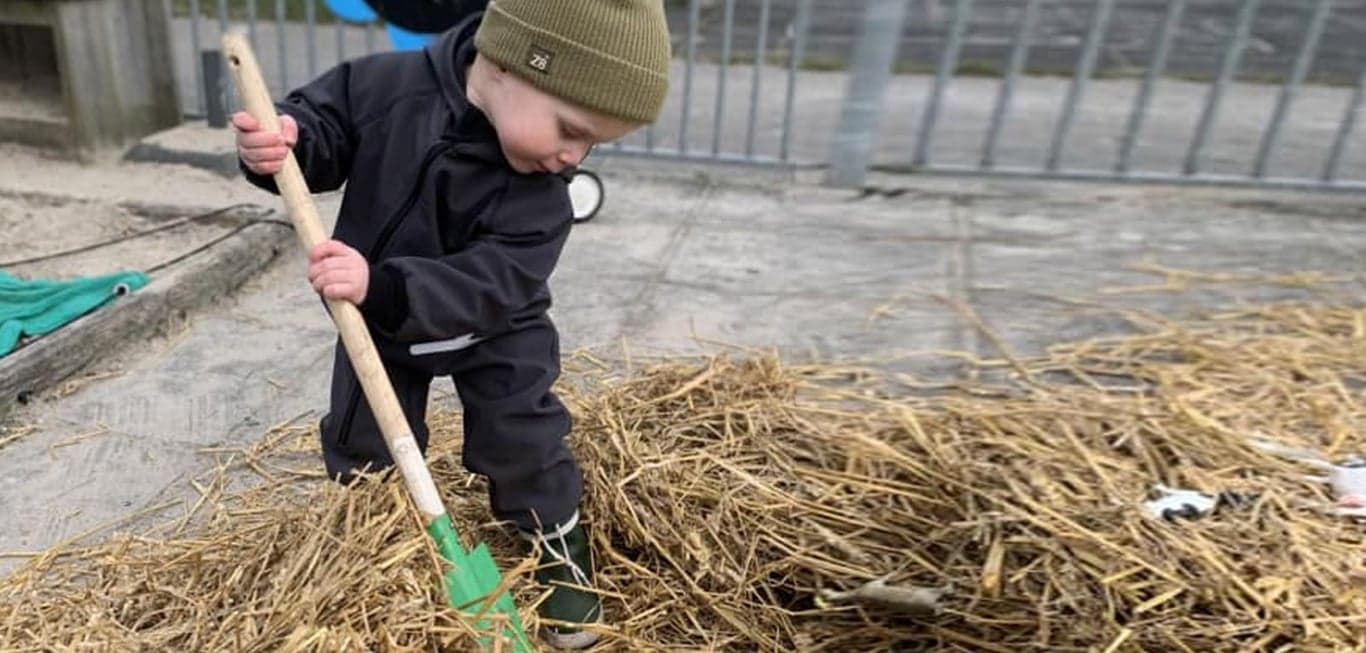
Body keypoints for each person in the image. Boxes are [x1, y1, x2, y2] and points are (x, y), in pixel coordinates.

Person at [231, 1, 670, 648]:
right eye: (571, 130)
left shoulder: (543, 200)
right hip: (375, 319)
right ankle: (373, 555)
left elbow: (490, 284)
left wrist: (381, 285)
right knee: (362, 442)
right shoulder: (383, 87)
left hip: (495, 326)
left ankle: (561, 556)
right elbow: (321, 132)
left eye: (593, 145)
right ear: (514, 64)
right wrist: (283, 141)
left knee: (525, 440)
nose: (574, 158)